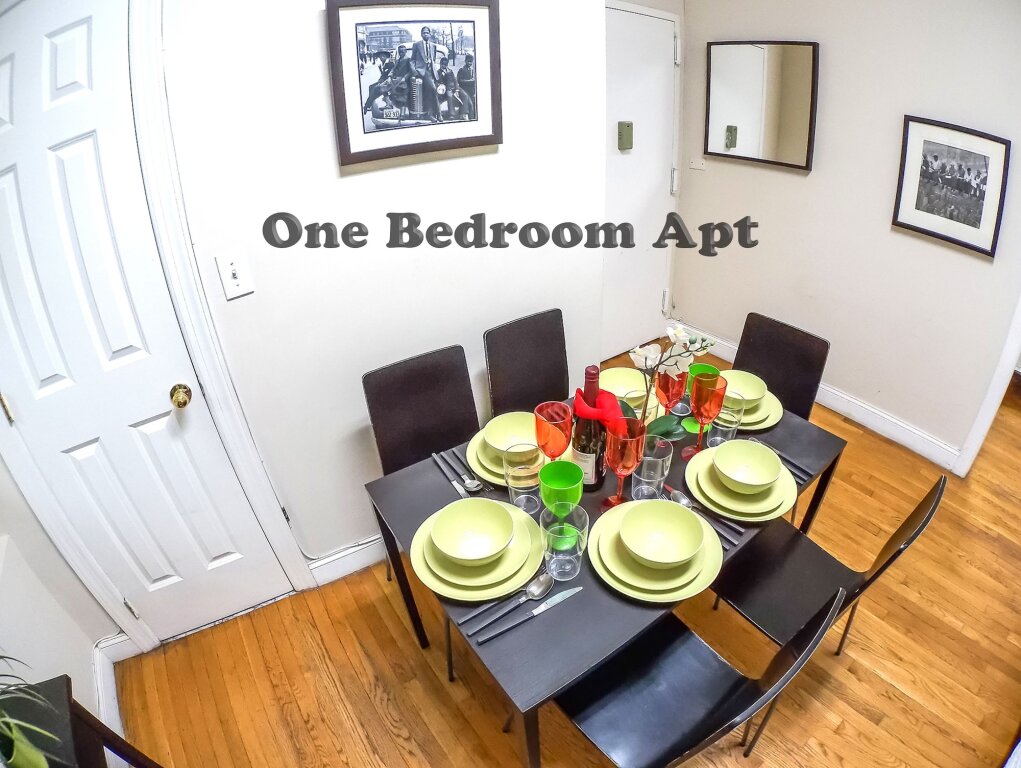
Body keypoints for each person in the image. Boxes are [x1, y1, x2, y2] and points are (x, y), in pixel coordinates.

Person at [410, 26, 442, 120]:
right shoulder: (417, 45)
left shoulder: (433, 46)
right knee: (433, 89)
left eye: (427, 33)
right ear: (421, 34)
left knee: (432, 91)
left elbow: (433, 59)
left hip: (431, 72)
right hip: (421, 71)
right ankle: (438, 114)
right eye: (424, 33)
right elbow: (412, 60)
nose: (426, 34)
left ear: (430, 34)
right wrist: (414, 71)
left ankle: (430, 114)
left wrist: (433, 69)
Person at [456, 53, 477, 120]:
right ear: (465, 61)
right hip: (463, 89)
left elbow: (473, 80)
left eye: (471, 62)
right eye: (468, 61)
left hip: (470, 90)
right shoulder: (462, 69)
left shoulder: (472, 70)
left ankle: (473, 117)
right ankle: (464, 115)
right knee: (469, 102)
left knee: (473, 102)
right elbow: (459, 81)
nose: (470, 63)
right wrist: (470, 81)